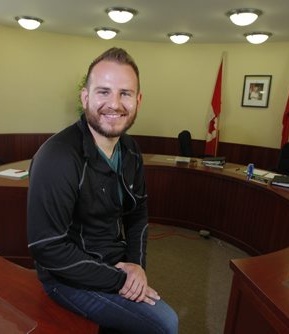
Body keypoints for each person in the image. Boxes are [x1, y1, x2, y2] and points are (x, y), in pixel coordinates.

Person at [27, 47, 178, 334]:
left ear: (138, 100)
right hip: (66, 277)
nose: (115, 103)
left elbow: (138, 213)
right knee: (165, 324)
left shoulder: (131, 150)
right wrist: (121, 281)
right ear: (85, 97)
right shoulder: (57, 157)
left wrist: (136, 265)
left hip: (114, 261)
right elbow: (47, 248)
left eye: (125, 93)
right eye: (104, 92)